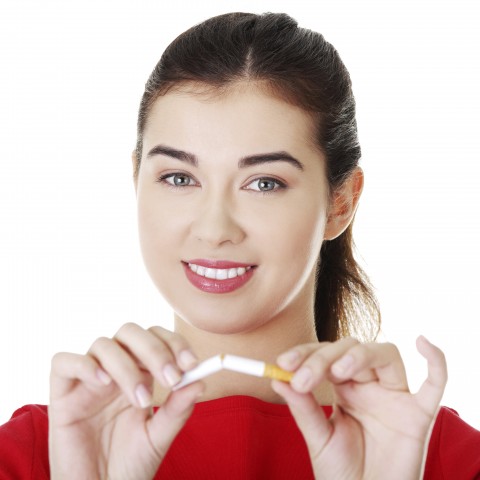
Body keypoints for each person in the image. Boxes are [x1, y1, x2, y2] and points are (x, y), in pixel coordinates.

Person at [1, 11, 479, 480]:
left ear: (340, 203)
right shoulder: (36, 455)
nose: (214, 228)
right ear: (136, 179)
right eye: (178, 177)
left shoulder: (449, 461)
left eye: (264, 183)